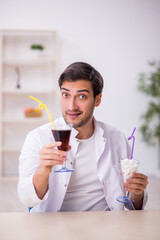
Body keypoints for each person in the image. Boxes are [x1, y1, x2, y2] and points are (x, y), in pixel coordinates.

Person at [18, 62, 148, 212]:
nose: (71, 106)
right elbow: (26, 198)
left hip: (107, 227)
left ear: (97, 100)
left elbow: (132, 205)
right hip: (55, 229)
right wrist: (43, 170)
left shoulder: (117, 138)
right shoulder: (38, 138)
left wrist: (137, 193)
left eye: (81, 96)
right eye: (66, 95)